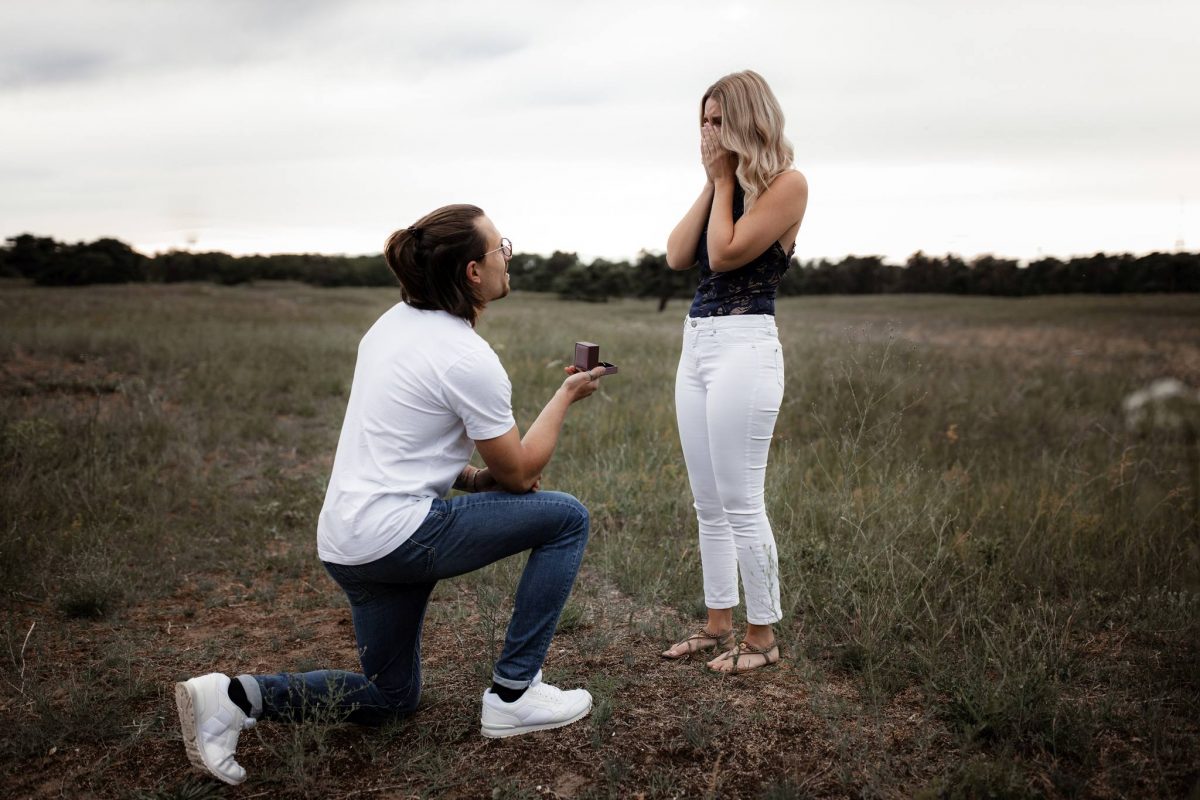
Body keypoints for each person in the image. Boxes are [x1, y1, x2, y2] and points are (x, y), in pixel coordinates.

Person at [175, 204, 610, 785]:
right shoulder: (467, 356)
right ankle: (514, 694)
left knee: (391, 696)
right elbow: (521, 473)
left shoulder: (390, 325)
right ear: (474, 273)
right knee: (566, 518)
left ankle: (234, 697)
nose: (509, 254)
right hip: (398, 538)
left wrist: (474, 479)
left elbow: (408, 441)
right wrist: (565, 395)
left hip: (346, 543)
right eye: (499, 247)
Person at [660, 70, 808, 673]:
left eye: (718, 119)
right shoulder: (722, 186)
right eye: (703, 119)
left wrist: (724, 178)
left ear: (748, 118)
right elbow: (677, 254)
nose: (707, 129)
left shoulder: (788, 185)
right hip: (697, 344)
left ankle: (761, 636)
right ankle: (718, 624)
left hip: (746, 346)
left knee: (742, 499)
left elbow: (724, 254)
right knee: (708, 502)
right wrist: (712, 182)